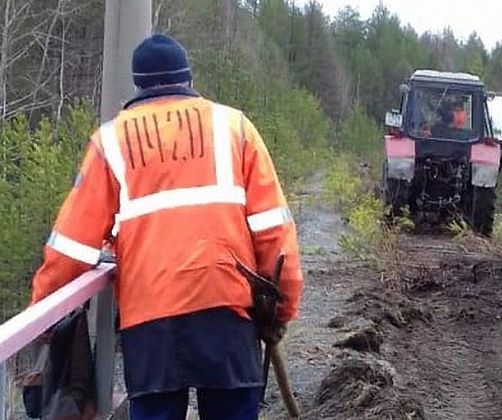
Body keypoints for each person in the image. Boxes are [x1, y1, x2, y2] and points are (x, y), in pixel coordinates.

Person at [28, 33, 303, 420]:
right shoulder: (235, 127)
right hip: (226, 308)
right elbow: (275, 233)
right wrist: (283, 307)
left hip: (151, 316)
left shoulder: (111, 140)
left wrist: (42, 314)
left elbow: (72, 245)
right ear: (188, 80)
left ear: (138, 85)